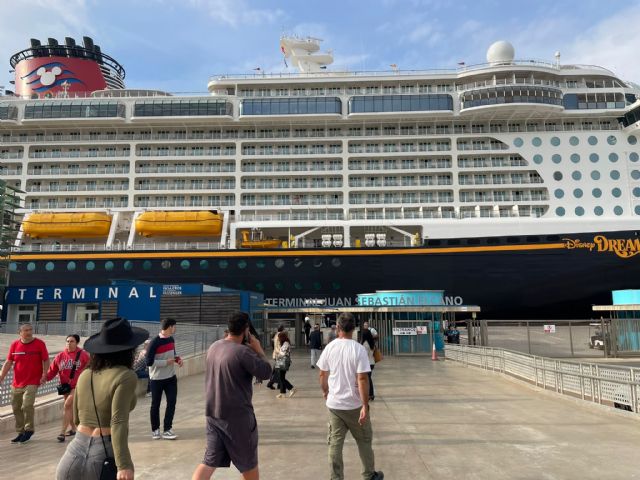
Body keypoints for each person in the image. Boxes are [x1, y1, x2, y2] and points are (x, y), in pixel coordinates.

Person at [56, 317, 148, 480]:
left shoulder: (85, 374)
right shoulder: (126, 376)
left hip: (72, 453)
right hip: (102, 456)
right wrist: (124, 464)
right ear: (129, 350)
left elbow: (77, 418)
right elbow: (118, 421)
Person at [192, 311, 272, 480]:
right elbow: (266, 372)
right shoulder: (243, 352)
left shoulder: (214, 346)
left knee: (209, 462)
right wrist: (259, 350)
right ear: (246, 330)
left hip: (213, 414)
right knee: (248, 465)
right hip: (237, 419)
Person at [316, 313, 384, 480]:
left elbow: (322, 374)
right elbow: (362, 379)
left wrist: (325, 391)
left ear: (338, 328)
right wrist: (364, 405)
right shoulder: (358, 349)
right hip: (355, 406)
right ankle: (368, 475)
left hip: (335, 406)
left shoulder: (330, 348)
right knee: (364, 441)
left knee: (335, 443)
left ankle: (336, 477)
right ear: (354, 328)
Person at [0, 323, 50, 444]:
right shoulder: (15, 345)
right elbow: (8, 362)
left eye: (30, 330)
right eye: (26, 330)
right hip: (17, 382)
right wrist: (1, 376)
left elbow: (46, 359)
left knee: (27, 405)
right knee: (16, 407)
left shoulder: (39, 343)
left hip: (33, 381)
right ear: (20, 333)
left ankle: (29, 429)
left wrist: (44, 374)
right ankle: (20, 431)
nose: (29, 332)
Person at [46, 334, 90, 442]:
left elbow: (91, 368)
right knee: (69, 408)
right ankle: (74, 429)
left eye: (72, 341)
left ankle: (62, 433)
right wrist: (43, 379)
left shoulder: (83, 355)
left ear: (77, 343)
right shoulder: (60, 356)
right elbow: (52, 371)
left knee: (67, 405)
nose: (69, 343)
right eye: (68, 341)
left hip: (78, 385)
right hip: (64, 386)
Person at [146, 317, 183, 441]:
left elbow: (173, 353)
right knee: (155, 404)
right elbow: (149, 362)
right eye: (174, 326)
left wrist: (178, 359)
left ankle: (167, 429)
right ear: (170, 327)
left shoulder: (171, 339)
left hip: (171, 377)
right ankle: (155, 430)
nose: (175, 328)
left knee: (172, 402)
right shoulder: (154, 342)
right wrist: (165, 362)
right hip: (157, 379)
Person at [275, 331, 296, 399]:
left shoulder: (286, 343)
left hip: (283, 361)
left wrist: (278, 352)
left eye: (279, 338)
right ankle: (282, 393)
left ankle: (291, 388)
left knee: (281, 377)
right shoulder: (284, 343)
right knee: (281, 377)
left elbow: (283, 353)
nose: (278, 339)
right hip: (281, 361)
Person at [360, 329, 376, 401]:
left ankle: (370, 394)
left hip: (367, 363)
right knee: (369, 379)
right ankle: (371, 394)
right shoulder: (372, 343)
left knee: (367, 379)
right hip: (371, 362)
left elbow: (364, 355)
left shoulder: (365, 344)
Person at [266, 325, 284, 390]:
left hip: (276, 354)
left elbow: (274, 345)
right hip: (280, 355)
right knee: (279, 370)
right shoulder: (281, 335)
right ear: (282, 329)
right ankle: (271, 383)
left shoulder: (276, 335)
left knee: (276, 370)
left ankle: (279, 385)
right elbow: (281, 345)